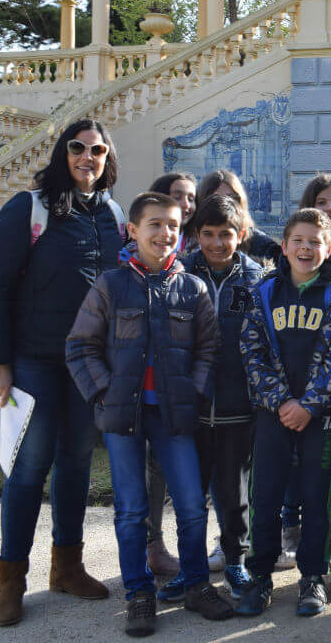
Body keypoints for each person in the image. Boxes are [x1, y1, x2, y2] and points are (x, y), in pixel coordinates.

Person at [65, 192, 235, 636]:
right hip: (123, 416)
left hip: (174, 415)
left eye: (173, 226)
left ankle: (197, 584)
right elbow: (80, 346)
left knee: (192, 505)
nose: (165, 233)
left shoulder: (192, 288)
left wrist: (193, 392)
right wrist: (105, 393)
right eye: (155, 224)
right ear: (133, 231)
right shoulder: (110, 285)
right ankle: (139, 593)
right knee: (131, 509)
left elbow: (209, 349)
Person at [0, 119, 123, 627]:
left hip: (88, 363)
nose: (87, 157)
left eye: (97, 150)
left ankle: (67, 567)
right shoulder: (29, 208)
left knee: (77, 463)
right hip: (34, 359)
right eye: (78, 148)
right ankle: (10, 580)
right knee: (29, 468)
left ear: (107, 159)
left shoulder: (112, 213)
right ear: (63, 153)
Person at [235, 207, 331, 618]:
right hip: (273, 413)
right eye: (298, 241)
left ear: (330, 248)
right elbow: (251, 352)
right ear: (284, 246)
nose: (306, 248)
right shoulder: (264, 293)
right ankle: (260, 575)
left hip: (319, 415)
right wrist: (283, 402)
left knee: (316, 496)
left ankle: (313, 576)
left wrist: (309, 405)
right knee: (265, 496)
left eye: (315, 242)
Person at [175, 195, 262, 602]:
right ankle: (190, 569)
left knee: (233, 493)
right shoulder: (180, 273)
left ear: (240, 235)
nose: (216, 243)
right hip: (191, 407)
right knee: (189, 496)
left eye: (225, 234)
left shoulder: (256, 279)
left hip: (237, 406)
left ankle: (235, 561)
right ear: (196, 235)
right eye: (207, 234)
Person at [138, 173, 200, 578]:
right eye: (178, 196)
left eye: (191, 197)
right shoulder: (132, 262)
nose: (187, 203)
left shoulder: (192, 250)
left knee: (183, 484)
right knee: (144, 480)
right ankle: (149, 551)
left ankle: (193, 572)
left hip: (178, 389)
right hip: (140, 391)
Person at [196, 169, 281, 262]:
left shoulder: (261, 244)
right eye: (216, 198)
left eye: (231, 198)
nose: (224, 205)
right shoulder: (189, 244)